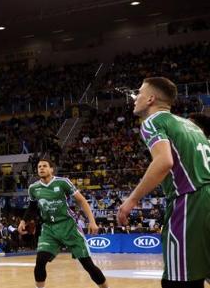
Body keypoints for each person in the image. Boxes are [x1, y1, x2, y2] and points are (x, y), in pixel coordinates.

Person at [117, 77, 210, 288]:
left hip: (189, 203)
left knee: (179, 280)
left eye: (139, 93)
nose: (135, 97)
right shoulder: (190, 125)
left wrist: (131, 201)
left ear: (150, 99)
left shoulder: (153, 121)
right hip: (206, 197)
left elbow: (164, 161)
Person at [19, 159, 109, 288]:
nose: (41, 168)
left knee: (87, 265)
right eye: (39, 167)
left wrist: (92, 221)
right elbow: (32, 207)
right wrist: (23, 221)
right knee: (40, 261)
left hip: (68, 226)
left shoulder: (63, 183)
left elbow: (82, 201)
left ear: (51, 169)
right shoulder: (33, 188)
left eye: (45, 166)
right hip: (49, 228)